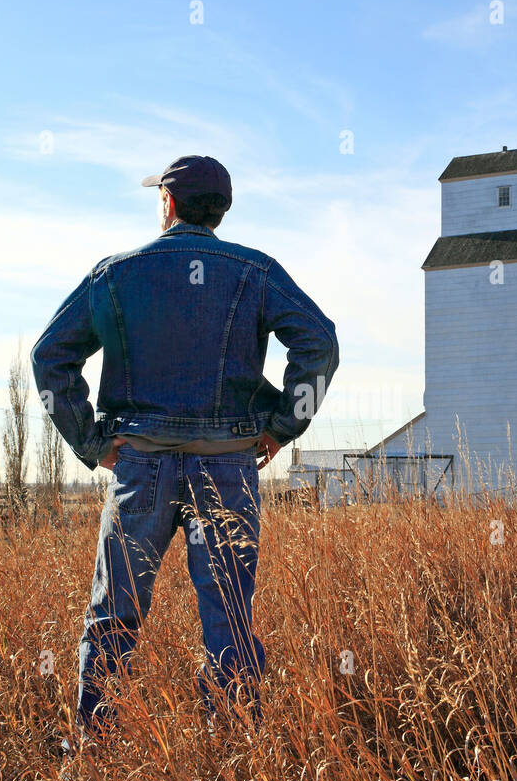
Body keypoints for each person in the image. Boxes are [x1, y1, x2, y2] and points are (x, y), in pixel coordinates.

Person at [31, 154, 338, 740]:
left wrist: (94, 443)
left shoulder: (115, 275)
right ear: (219, 211)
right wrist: (279, 427)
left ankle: (94, 749)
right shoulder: (256, 271)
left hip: (139, 467)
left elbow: (50, 358)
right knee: (228, 617)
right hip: (227, 466)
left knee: (114, 614)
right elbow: (319, 345)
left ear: (168, 203)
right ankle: (234, 750)